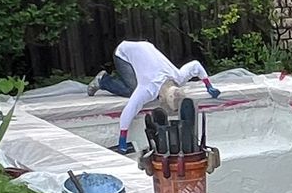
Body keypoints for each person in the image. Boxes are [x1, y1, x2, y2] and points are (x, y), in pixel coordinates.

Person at [89, 39, 220, 154]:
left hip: (146, 47)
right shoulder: (148, 88)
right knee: (132, 90)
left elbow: (196, 66)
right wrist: (122, 138)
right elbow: (130, 109)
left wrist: (209, 86)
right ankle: (103, 81)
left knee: (136, 83)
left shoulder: (178, 77)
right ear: (161, 99)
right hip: (123, 52)